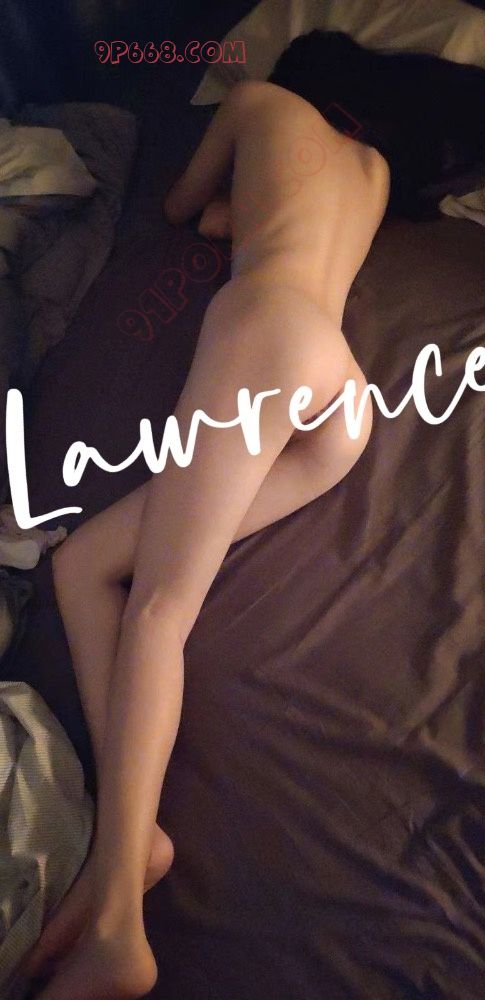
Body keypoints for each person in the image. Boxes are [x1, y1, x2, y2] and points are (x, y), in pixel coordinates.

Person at [27, 78, 389, 998]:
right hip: (345, 402)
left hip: (269, 337)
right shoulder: (377, 171)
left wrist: (230, 200)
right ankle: (133, 839)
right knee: (84, 566)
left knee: (160, 611)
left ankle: (118, 925)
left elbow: (188, 207)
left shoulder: (259, 99)